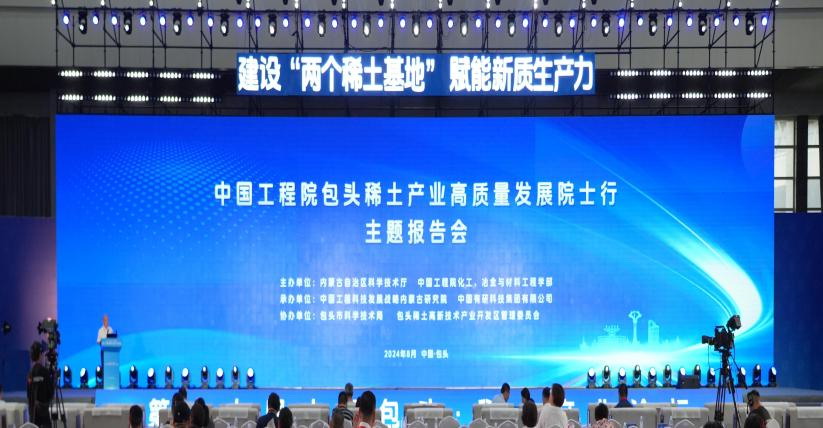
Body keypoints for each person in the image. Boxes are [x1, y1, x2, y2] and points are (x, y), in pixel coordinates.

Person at [26, 341, 55, 428]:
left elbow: (29, 395)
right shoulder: (45, 372)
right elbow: (51, 392)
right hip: (44, 413)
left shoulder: (30, 374)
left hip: (33, 414)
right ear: (40, 355)